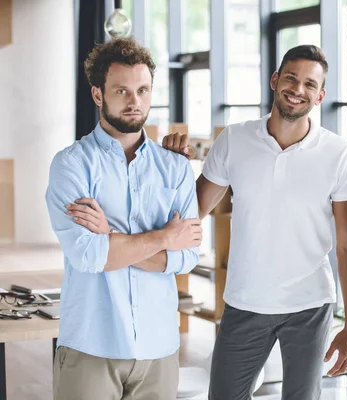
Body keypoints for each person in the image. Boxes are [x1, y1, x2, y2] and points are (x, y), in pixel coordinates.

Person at [162, 44, 347, 400]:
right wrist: (173, 167)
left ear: (321, 96)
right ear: (275, 80)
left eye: (309, 84)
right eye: (291, 77)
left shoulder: (339, 153)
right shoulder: (234, 140)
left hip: (310, 303)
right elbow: (191, 211)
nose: (297, 89)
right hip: (245, 300)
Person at [45, 38, 202, 400]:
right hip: (91, 343)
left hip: (159, 347)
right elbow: (88, 256)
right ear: (98, 95)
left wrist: (111, 236)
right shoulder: (71, 165)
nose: (135, 101)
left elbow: (187, 257)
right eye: (122, 91)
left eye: (143, 90)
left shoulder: (175, 166)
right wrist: (165, 236)